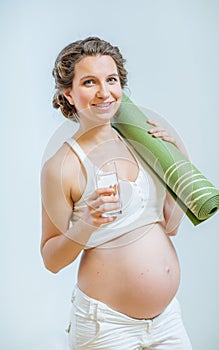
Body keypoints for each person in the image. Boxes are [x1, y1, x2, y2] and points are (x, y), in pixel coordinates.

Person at [41, 36, 192, 349]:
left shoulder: (144, 145)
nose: (103, 92)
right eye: (89, 82)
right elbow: (51, 260)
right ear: (68, 93)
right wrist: (86, 226)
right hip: (106, 327)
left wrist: (176, 159)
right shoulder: (63, 166)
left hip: (166, 320)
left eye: (111, 79)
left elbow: (170, 228)